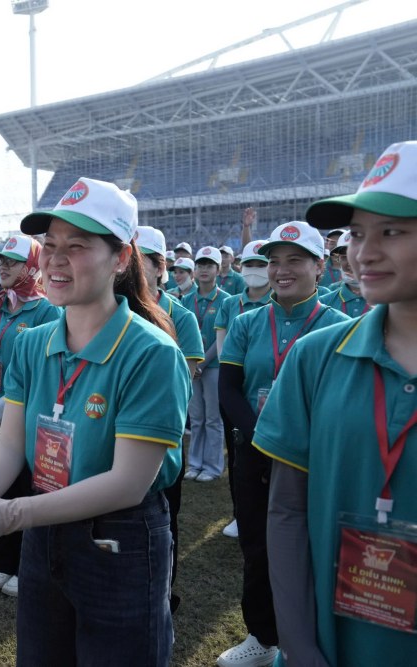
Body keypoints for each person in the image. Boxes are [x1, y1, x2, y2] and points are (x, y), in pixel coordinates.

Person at [0, 177, 190, 666]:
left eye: (76, 246)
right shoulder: (33, 343)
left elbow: (127, 484)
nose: (55, 259)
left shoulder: (150, 353)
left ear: (120, 257)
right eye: (49, 245)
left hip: (119, 538)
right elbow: (10, 444)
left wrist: (10, 515)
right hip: (43, 529)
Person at [253, 140, 417, 667]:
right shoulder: (316, 357)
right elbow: (287, 509)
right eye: (357, 233)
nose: (363, 252)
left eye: (391, 231)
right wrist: (300, 646)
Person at [218, 221, 348, 667]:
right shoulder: (247, 322)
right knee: (258, 544)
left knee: (317, 544)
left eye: (295, 260)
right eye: (274, 261)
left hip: (314, 459)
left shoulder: (340, 326)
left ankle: (316, 636)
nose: (281, 270)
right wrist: (262, 439)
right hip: (253, 451)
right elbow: (229, 388)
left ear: (319, 266)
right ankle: (263, 635)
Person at [0, 234, 61, 597]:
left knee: (27, 483)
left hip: (25, 410)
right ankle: (4, 561)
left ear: (31, 266)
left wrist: (7, 402)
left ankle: (24, 563)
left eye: (12, 261)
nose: (3, 267)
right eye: (1, 261)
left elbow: (46, 366)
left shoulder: (46, 310)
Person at [136, 224, 203, 613]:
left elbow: (190, 372)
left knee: (164, 514)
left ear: (160, 268)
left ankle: (163, 591)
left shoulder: (181, 316)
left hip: (161, 433)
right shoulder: (114, 309)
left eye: (141, 262)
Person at [214, 239, 273, 540]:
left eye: (262, 264)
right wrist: (236, 369)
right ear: (240, 267)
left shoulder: (279, 300)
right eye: (250, 264)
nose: (255, 270)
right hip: (238, 392)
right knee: (239, 457)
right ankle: (240, 513)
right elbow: (223, 345)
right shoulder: (230, 304)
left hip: (274, 396)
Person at [181, 247, 230, 482]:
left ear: (218, 270)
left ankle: (212, 466)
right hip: (192, 367)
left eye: (209, 265)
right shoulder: (187, 299)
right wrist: (192, 363)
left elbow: (222, 336)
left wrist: (202, 362)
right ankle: (195, 463)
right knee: (196, 416)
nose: (203, 270)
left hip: (212, 367)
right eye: (200, 265)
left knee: (213, 418)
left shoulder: (226, 300)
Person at [320, 231, 370, 317]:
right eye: (344, 257)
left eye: (357, 255)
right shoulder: (324, 302)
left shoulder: (389, 301)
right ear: (338, 260)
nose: (351, 262)